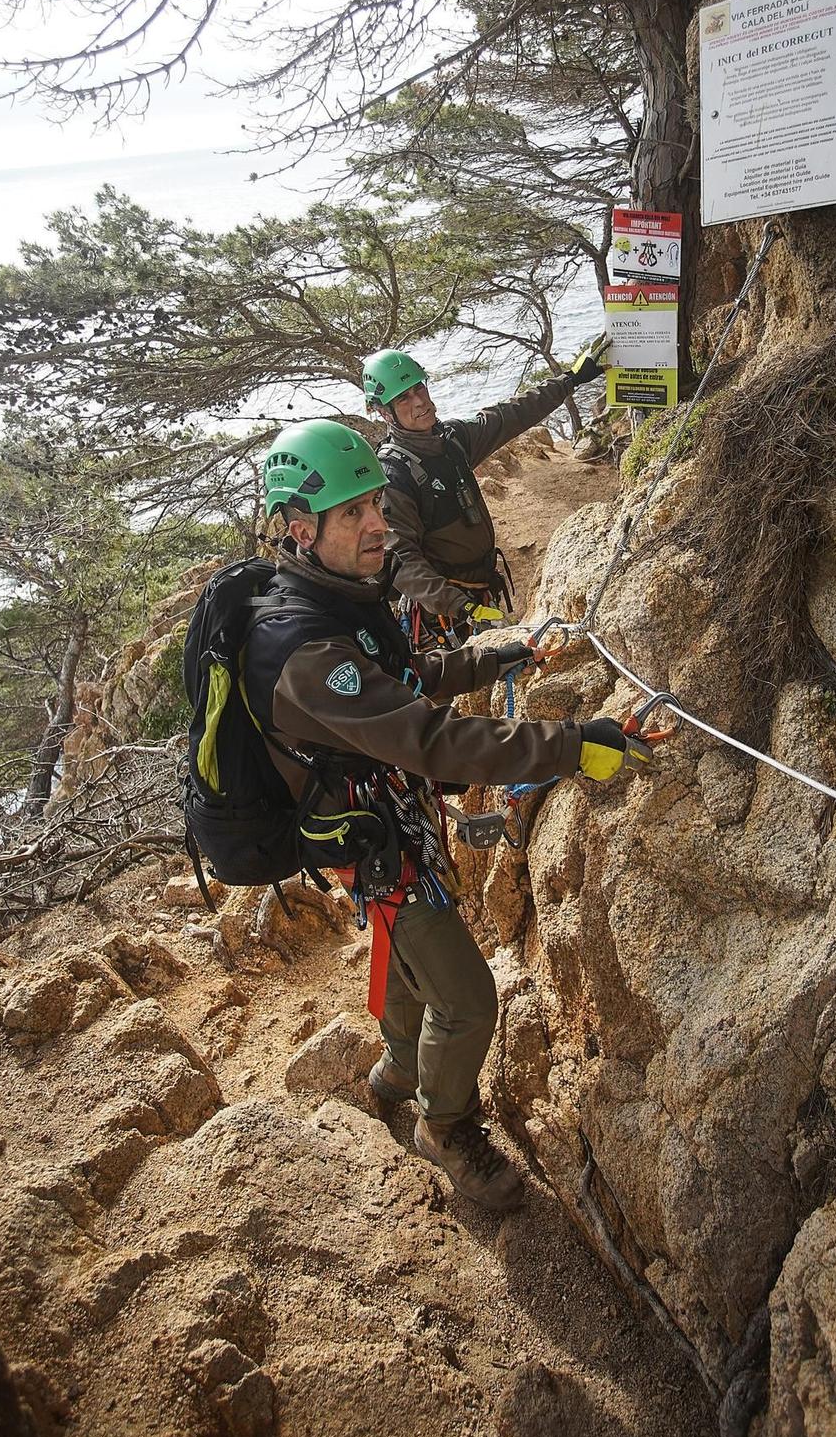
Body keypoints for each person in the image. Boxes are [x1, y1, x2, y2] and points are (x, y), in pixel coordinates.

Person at [245, 419, 649, 1215]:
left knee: (402, 955)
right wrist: (572, 744)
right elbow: (429, 739)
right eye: (354, 514)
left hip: (382, 816)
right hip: (375, 840)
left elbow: (401, 674)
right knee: (466, 1001)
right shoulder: (300, 649)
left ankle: (395, 1072)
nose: (378, 524)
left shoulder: (335, 594)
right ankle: (446, 1124)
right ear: (300, 529)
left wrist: (494, 656)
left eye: (374, 504)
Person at [361, 344, 604, 641]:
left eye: (419, 389)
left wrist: (569, 380)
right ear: (385, 414)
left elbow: (510, 415)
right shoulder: (394, 476)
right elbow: (401, 559)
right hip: (442, 618)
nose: (420, 402)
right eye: (403, 398)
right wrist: (460, 607)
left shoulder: (452, 441)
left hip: (480, 592)